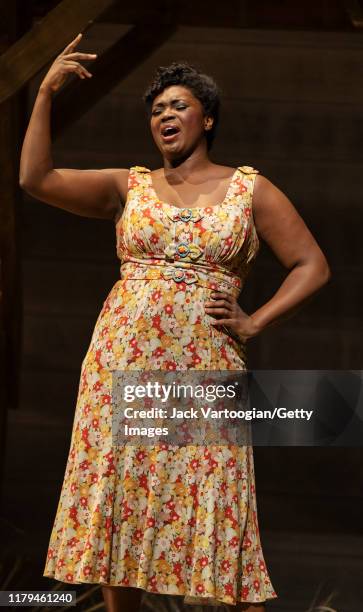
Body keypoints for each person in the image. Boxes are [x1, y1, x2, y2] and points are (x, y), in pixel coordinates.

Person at [19, 33, 331, 612]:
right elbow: (36, 180)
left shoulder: (249, 189)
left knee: (215, 496)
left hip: (204, 366)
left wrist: (256, 321)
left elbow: (312, 265)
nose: (165, 114)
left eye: (179, 105)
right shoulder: (128, 185)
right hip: (122, 359)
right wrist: (44, 95)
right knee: (123, 498)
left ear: (206, 119)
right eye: (157, 109)